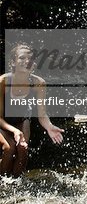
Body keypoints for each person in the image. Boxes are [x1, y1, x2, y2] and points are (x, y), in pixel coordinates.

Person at [0, 44, 64, 177]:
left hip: (22, 119)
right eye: (22, 58)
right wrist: (14, 131)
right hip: (2, 121)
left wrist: (49, 127)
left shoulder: (38, 83)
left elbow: (42, 114)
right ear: (13, 62)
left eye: (30, 58)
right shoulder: (3, 81)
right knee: (9, 147)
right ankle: (2, 181)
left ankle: (17, 184)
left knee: (22, 148)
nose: (27, 61)